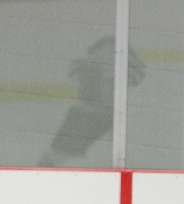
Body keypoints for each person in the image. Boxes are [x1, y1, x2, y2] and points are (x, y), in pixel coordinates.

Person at [39, 37, 145, 168]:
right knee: (58, 155)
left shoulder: (103, 57)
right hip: (91, 112)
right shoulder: (109, 58)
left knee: (57, 155)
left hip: (91, 113)